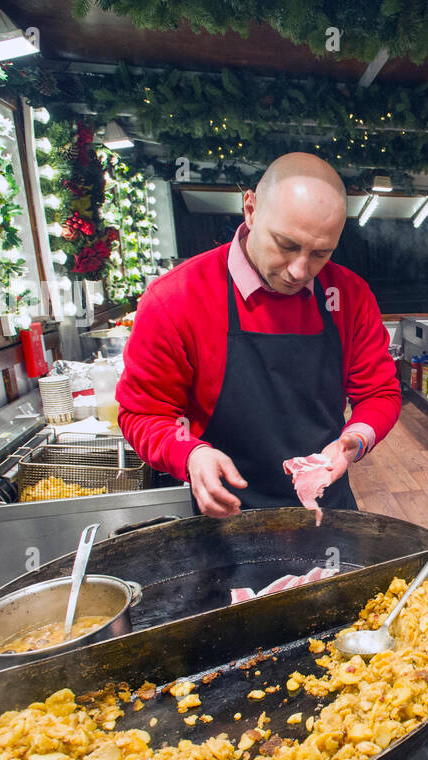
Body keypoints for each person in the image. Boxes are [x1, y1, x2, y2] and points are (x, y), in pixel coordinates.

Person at [117, 153, 401, 518]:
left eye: (320, 253)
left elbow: (379, 393)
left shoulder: (350, 296)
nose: (299, 271)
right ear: (250, 210)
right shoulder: (176, 298)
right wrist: (190, 453)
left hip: (326, 509)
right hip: (227, 516)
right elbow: (144, 413)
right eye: (286, 245)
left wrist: (353, 442)